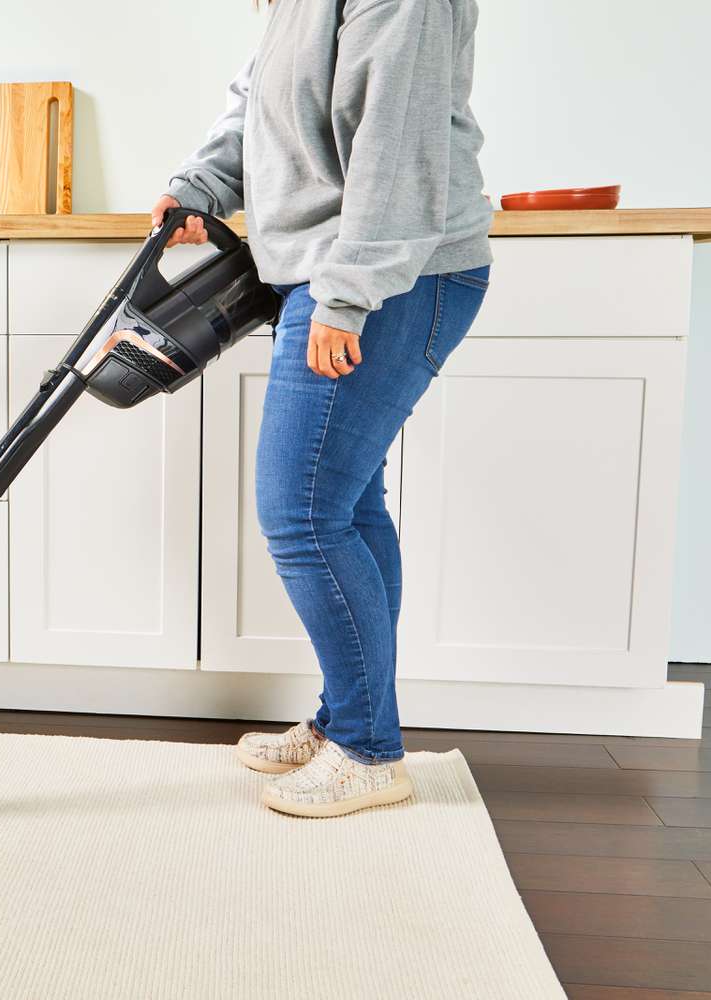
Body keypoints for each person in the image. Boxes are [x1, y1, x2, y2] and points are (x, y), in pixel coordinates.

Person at [154, 0, 492, 817]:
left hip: (387, 273)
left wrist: (347, 295)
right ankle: (351, 720)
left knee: (301, 511)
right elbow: (256, 100)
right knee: (344, 502)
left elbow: (396, 143)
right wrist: (200, 184)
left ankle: (370, 756)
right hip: (329, 271)